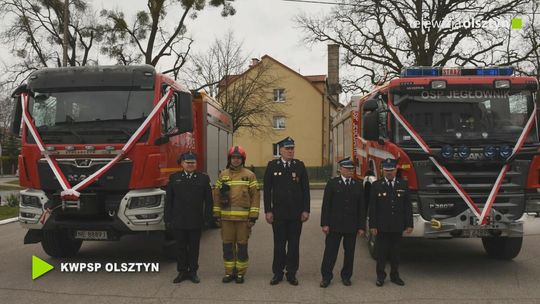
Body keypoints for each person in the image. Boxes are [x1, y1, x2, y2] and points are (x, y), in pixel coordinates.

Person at [263, 136, 310, 286]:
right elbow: (267, 191)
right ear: (281, 150)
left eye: (292, 148)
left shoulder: (299, 166)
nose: (291, 151)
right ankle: (277, 273)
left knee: (294, 244)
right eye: (288, 148)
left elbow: (306, 190)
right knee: (279, 244)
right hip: (279, 214)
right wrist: (268, 211)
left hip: (296, 214)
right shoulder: (272, 166)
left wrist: (306, 210)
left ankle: (291, 273)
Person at [213, 146, 260, 284]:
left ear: (242, 160)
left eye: (238, 158)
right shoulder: (223, 175)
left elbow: (255, 197)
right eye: (233, 157)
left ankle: (240, 274)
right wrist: (216, 215)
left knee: (242, 247)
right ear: (229, 159)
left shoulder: (249, 175)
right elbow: (216, 195)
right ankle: (229, 273)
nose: (235, 160)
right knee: (227, 246)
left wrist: (253, 217)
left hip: (243, 220)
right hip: (226, 219)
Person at [164, 151, 213, 284]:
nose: (190, 165)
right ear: (182, 164)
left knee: (194, 248)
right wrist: (167, 219)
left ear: (196, 164)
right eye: (188, 162)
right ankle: (182, 271)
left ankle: (193, 272)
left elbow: (209, 201)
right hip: (178, 220)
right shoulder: (174, 178)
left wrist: (208, 218)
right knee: (180, 247)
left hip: (195, 220)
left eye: (193, 162)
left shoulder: (203, 179)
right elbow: (169, 201)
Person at [319, 157, 366, 288]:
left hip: (351, 225)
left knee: (349, 253)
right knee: (330, 252)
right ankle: (326, 277)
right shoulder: (333, 184)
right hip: (334, 225)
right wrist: (325, 224)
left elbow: (361, 208)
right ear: (341, 170)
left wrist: (361, 226)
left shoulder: (357, 185)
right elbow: (326, 205)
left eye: (352, 169)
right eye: (347, 169)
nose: (350, 171)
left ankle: (346, 276)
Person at [369, 158, 413, 287]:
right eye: (387, 170)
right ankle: (380, 277)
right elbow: (373, 208)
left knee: (395, 253)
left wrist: (409, 224)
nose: (389, 173)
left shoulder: (403, 185)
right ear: (383, 171)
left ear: (396, 170)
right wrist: (372, 225)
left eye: (391, 170)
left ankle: (395, 276)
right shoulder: (376, 185)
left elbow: (407, 207)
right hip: (382, 227)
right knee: (381, 254)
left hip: (397, 226)